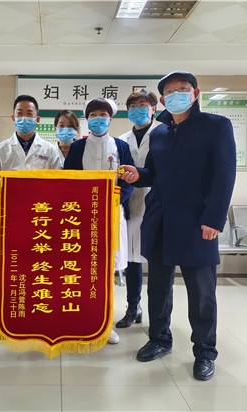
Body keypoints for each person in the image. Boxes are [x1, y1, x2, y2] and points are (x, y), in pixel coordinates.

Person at [119, 71, 236, 381]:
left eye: (183, 89)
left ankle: (205, 351)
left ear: (195, 93)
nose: (176, 95)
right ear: (162, 100)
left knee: (201, 292)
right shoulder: (159, 133)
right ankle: (159, 339)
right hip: (159, 221)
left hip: (198, 223)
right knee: (158, 286)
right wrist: (137, 174)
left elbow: (225, 175)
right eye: (170, 91)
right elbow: (153, 174)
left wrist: (214, 219)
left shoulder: (216, 126)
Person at [64, 98, 134, 345]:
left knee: (105, 272)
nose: (98, 119)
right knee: (82, 269)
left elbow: (128, 180)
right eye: (93, 115)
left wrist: (115, 199)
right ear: (87, 119)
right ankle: (80, 319)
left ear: (110, 119)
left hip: (112, 214)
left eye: (102, 114)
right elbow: (68, 180)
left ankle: (104, 324)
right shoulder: (77, 147)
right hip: (82, 217)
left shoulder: (121, 146)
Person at [0, 94, 64, 225]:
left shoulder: (50, 150)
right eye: (20, 113)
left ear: (37, 119)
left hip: (42, 214)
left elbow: (58, 186)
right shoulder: (0, 150)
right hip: (9, 215)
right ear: (13, 118)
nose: (24, 118)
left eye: (29, 113)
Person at [116, 90, 158, 329]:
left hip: (156, 204)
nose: (137, 109)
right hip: (129, 205)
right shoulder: (122, 140)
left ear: (153, 109)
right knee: (131, 258)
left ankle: (158, 314)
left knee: (158, 262)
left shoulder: (163, 134)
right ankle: (134, 307)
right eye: (132, 106)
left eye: (143, 104)